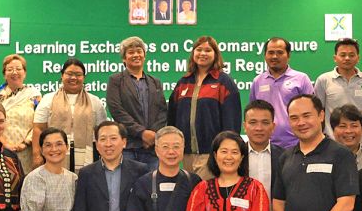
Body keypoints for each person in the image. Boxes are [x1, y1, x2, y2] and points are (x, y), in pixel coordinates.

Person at [167, 35, 241, 179]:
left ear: (215, 54)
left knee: (207, 196)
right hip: (185, 154)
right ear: (193, 53)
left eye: (208, 50)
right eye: (199, 49)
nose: (202, 53)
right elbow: (172, 118)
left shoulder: (224, 82)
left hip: (211, 154)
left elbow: (231, 122)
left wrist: (225, 151)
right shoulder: (183, 82)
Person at [32, 57, 107, 172]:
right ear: (62, 75)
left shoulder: (95, 102)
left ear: (84, 77)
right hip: (54, 152)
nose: (73, 78)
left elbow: (102, 131)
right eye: (69, 74)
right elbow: (38, 128)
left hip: (87, 156)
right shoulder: (48, 99)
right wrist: (37, 155)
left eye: (78, 74)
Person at [106, 36, 167, 170]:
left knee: (152, 188)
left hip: (152, 148)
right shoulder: (115, 81)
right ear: (124, 58)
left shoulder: (155, 82)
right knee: (129, 189)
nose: (136, 55)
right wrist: (142, 133)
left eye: (139, 51)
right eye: (131, 52)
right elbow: (117, 111)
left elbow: (162, 111)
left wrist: (152, 135)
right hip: (129, 147)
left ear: (144, 56)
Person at [249, 37, 314, 149]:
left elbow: (311, 112)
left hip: (296, 144)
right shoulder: (258, 81)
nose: (274, 56)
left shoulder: (301, 79)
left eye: (279, 52)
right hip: (266, 145)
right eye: (271, 53)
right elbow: (253, 113)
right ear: (265, 56)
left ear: (288, 55)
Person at [313, 38, 362, 146]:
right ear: (335, 58)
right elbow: (321, 112)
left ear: (358, 58)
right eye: (343, 55)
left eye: (352, 55)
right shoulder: (324, 80)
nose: (347, 58)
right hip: (333, 141)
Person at [0, 53, 41, 175]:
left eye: (18, 69)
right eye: (10, 69)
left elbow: (40, 123)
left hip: (27, 152)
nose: (14, 72)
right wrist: (5, 144)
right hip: (0, 150)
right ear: (4, 73)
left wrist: (25, 143)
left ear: (25, 73)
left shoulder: (34, 94)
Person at [332, 105, 362, 169]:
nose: (348, 131)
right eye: (342, 126)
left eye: (354, 126)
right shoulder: (323, 159)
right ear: (333, 130)